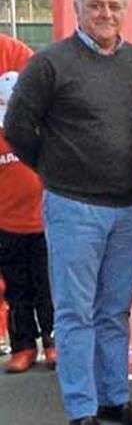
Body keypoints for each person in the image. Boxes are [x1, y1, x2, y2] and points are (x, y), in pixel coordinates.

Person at [4, 0, 132, 425]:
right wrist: (54, 171)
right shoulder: (49, 63)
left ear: (125, 11)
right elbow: (16, 128)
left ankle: (114, 399)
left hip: (129, 208)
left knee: (114, 314)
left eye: (114, 5)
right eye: (96, 4)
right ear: (76, 9)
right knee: (74, 316)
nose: (106, 13)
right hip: (73, 208)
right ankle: (82, 409)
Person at [0, 35, 55, 374]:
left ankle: (53, 341)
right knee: (16, 287)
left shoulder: (16, 52)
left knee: (49, 285)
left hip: (44, 213)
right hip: (5, 218)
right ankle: (22, 345)